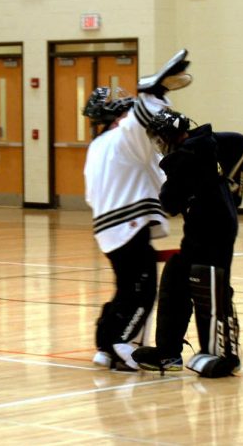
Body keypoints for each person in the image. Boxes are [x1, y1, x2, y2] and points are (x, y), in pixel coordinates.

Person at [82, 49, 191, 371]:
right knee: (142, 292)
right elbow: (140, 124)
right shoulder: (123, 138)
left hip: (108, 229)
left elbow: (154, 173)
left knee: (126, 288)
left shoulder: (97, 147)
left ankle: (104, 344)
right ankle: (121, 345)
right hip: (128, 226)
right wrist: (155, 92)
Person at [132, 108, 243, 378]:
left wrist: (234, 183)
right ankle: (168, 351)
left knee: (210, 285)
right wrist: (235, 178)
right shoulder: (207, 142)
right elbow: (239, 141)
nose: (160, 147)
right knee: (175, 277)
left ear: (172, 136)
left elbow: (169, 203)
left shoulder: (184, 158)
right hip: (199, 229)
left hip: (215, 229)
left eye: (160, 140)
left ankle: (224, 353)